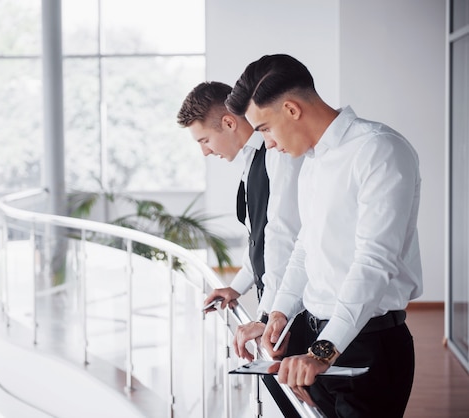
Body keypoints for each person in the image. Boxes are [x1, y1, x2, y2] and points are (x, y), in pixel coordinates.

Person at [226, 54, 423, 418]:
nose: (267, 143)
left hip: (368, 347)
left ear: (291, 109)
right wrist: (281, 312)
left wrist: (323, 351)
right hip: (316, 345)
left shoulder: (379, 150)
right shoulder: (312, 163)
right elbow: (305, 248)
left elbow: (374, 263)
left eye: (265, 128)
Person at [176, 81, 303, 361]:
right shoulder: (251, 161)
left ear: (228, 123)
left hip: (294, 310)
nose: (205, 152)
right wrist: (237, 286)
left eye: (204, 140)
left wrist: (269, 314)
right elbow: (258, 238)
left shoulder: (277, 155)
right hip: (276, 307)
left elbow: (285, 237)